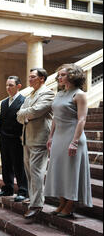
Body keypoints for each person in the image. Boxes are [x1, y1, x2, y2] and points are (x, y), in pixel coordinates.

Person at [44, 64, 93, 218]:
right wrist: (51, 136)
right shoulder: (59, 94)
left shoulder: (79, 95)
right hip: (59, 136)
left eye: (62, 75)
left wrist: (75, 142)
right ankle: (62, 202)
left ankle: (70, 204)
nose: (59, 77)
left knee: (71, 171)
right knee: (59, 170)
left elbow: (81, 119)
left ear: (72, 76)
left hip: (73, 135)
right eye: (58, 75)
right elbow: (55, 119)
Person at [16, 68, 55, 219]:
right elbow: (19, 115)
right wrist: (26, 115)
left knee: (37, 172)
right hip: (27, 138)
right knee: (29, 172)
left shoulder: (48, 93)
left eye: (33, 77)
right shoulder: (30, 94)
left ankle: (37, 204)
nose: (30, 79)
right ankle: (33, 199)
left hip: (40, 138)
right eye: (29, 77)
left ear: (42, 78)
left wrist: (25, 114)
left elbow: (36, 111)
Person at [0, 76, 28, 202]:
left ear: (19, 86)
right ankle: (7, 188)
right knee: (6, 164)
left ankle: (23, 190)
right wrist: (0, 135)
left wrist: (21, 136)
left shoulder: (24, 101)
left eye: (11, 85)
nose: (8, 88)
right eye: (7, 85)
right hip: (4, 138)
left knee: (19, 165)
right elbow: (2, 120)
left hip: (16, 138)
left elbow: (24, 120)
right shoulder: (4, 102)